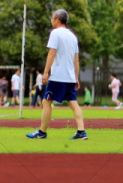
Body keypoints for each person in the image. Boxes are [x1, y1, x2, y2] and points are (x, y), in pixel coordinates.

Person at [26, 8, 87, 140]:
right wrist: (76, 77)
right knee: (73, 103)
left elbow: (52, 53)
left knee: (46, 101)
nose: (51, 20)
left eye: (52, 18)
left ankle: (42, 132)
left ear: (58, 20)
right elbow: (76, 59)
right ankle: (81, 131)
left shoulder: (55, 33)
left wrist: (46, 72)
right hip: (70, 77)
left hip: (58, 76)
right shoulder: (72, 36)